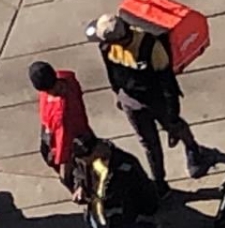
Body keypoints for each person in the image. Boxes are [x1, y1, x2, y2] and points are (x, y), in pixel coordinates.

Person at [87, 14, 215, 198]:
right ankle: (160, 183)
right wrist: (119, 95)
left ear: (121, 38)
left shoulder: (150, 47)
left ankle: (193, 149)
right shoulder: (107, 47)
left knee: (176, 126)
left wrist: (172, 114)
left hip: (156, 99)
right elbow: (113, 74)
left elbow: (167, 83)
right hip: (130, 101)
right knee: (148, 143)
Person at [29, 61, 94, 191]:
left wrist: (63, 170)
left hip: (71, 144)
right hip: (82, 131)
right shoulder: (67, 79)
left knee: (79, 179)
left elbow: (63, 143)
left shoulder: (60, 114)